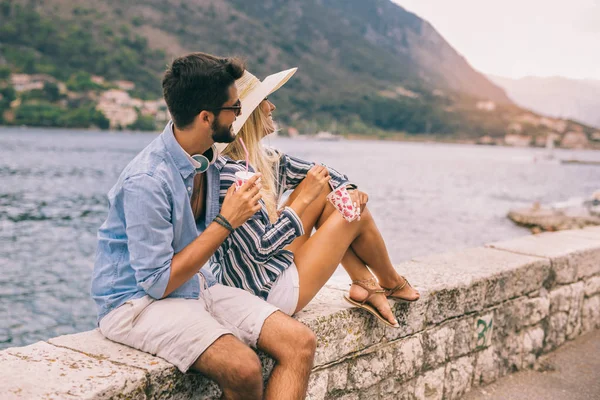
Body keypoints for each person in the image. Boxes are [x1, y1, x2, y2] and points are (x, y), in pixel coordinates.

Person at [91, 53, 316, 400]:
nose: (241, 114)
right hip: (135, 304)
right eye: (235, 108)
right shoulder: (147, 180)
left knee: (300, 342)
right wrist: (228, 221)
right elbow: (156, 282)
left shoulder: (209, 160)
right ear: (206, 117)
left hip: (196, 286)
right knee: (243, 368)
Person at [212, 68, 420, 327]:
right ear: (251, 113)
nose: (272, 106)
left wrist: (348, 189)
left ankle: (364, 283)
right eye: (266, 100)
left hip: (270, 267)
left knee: (325, 191)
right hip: (264, 292)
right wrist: (301, 204)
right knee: (354, 215)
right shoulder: (232, 176)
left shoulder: (266, 159)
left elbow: (324, 175)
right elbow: (260, 249)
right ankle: (390, 281)